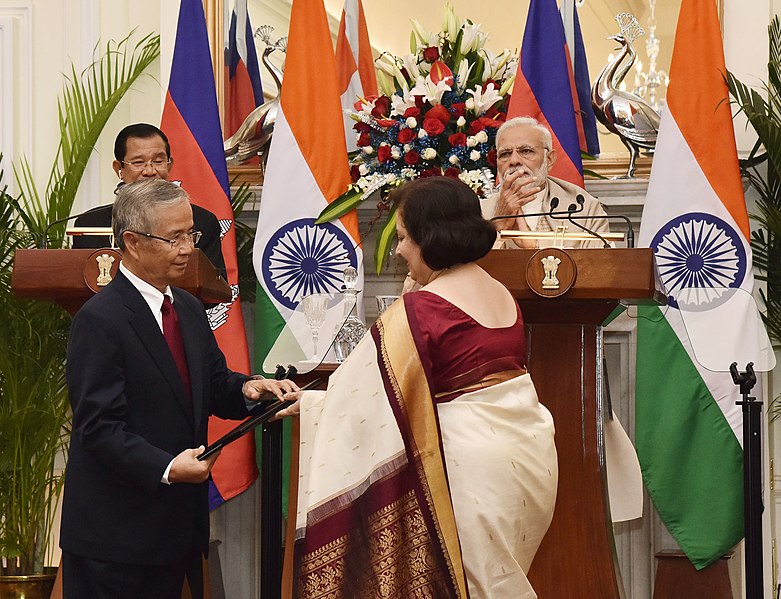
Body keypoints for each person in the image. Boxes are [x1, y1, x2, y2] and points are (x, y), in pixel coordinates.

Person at [277, 177, 558, 599]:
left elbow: (366, 392)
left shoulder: (424, 307)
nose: (399, 250)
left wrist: (315, 403)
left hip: (469, 470)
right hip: (529, 458)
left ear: (430, 236)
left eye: (405, 237)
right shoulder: (501, 291)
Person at [60, 179, 298, 599]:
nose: (188, 248)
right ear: (132, 242)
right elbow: (98, 429)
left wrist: (254, 390)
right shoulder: (100, 320)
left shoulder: (186, 306)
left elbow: (214, 384)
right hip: (116, 541)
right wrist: (167, 467)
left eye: (191, 234)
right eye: (174, 237)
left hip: (176, 531)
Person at [72, 123, 226, 278]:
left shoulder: (202, 221)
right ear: (119, 168)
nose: (150, 171)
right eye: (138, 163)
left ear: (169, 165)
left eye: (158, 161)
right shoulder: (89, 224)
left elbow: (214, 287)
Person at [483, 116, 610, 248]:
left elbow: (600, 265)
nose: (514, 160)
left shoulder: (584, 207)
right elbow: (470, 267)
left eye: (526, 151)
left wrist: (534, 247)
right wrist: (498, 227)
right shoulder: (478, 212)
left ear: (549, 159)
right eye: (505, 154)